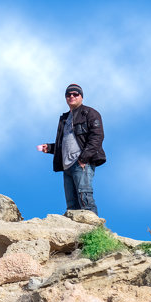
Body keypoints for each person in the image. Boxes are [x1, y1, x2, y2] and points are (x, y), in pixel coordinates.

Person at [40, 84, 106, 214]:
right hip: (67, 166)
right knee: (71, 205)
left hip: (81, 163)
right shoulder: (65, 118)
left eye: (75, 94)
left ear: (81, 96)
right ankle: (77, 233)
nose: (71, 96)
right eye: (68, 94)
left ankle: (95, 231)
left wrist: (83, 158)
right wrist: (50, 147)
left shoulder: (90, 113)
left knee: (85, 199)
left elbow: (97, 137)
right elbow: (65, 142)